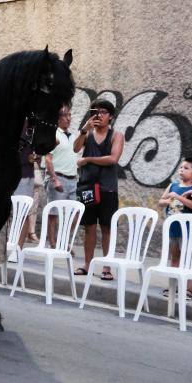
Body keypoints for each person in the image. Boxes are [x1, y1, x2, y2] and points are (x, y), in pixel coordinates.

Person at [73, 99, 124, 279]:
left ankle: (106, 268)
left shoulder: (116, 135)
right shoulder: (87, 134)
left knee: (107, 227)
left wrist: (87, 160)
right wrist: (84, 130)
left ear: (110, 116)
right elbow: (76, 148)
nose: (99, 115)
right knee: (89, 227)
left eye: (103, 112)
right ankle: (87, 265)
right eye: (96, 111)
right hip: (87, 186)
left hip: (107, 188)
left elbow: (113, 159)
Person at [158, 157, 192, 299]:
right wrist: (168, 200)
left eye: (186, 168)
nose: (181, 170)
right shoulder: (172, 185)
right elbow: (161, 201)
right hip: (173, 229)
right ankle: (173, 287)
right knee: (174, 258)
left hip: (187, 231)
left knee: (189, 259)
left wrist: (179, 197)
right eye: (181, 167)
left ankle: (189, 289)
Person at [44, 105, 79, 247]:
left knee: (75, 214)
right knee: (53, 214)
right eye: (65, 116)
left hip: (72, 179)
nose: (69, 119)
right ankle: (53, 243)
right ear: (58, 118)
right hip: (58, 178)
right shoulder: (54, 134)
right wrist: (55, 179)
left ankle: (62, 241)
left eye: (70, 115)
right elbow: (47, 159)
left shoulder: (73, 136)